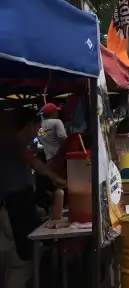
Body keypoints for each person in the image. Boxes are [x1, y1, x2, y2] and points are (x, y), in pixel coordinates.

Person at [0, 107, 66, 288]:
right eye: (36, 128)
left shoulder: (13, 144)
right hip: (15, 205)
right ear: (28, 125)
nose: (37, 134)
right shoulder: (13, 142)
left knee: (20, 257)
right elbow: (35, 164)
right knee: (22, 259)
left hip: (19, 203)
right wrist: (57, 179)